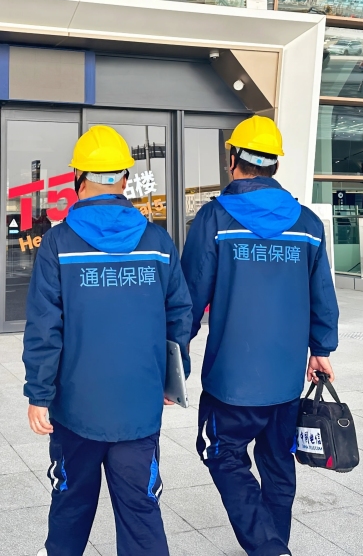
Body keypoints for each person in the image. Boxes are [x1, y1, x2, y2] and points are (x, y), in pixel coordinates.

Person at [23, 126, 193, 556]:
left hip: (75, 408)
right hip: (139, 407)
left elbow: (45, 327)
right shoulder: (157, 241)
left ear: (78, 178)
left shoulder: (58, 243)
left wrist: (39, 394)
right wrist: (174, 378)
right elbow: (179, 314)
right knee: (140, 511)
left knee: (70, 504)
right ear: (124, 179)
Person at [181, 116, 339, 556]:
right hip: (286, 378)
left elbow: (190, 295)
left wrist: (174, 354)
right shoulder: (307, 224)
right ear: (274, 164)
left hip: (231, 379)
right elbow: (322, 294)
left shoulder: (215, 218)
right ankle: (275, 545)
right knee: (277, 462)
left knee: (222, 453)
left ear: (233, 159)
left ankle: (270, 549)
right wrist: (321, 348)